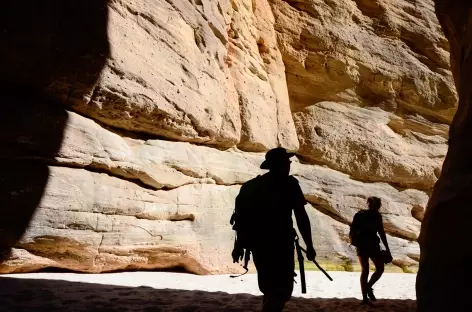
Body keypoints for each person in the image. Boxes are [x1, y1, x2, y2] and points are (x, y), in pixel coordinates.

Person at [231, 148, 316, 312]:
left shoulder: (252, 186)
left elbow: (241, 219)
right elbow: (301, 216)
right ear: (281, 164)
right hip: (281, 245)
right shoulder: (289, 184)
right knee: (282, 292)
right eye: (287, 161)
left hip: (258, 245)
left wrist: (239, 245)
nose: (289, 164)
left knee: (269, 289)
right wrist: (310, 245)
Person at [350, 196, 393, 304]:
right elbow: (381, 233)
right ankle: (369, 287)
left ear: (368, 203)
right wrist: (387, 249)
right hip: (373, 245)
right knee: (379, 269)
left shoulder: (359, 214)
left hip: (361, 245)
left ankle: (365, 298)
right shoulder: (376, 216)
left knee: (365, 270)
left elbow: (352, 230)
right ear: (378, 206)